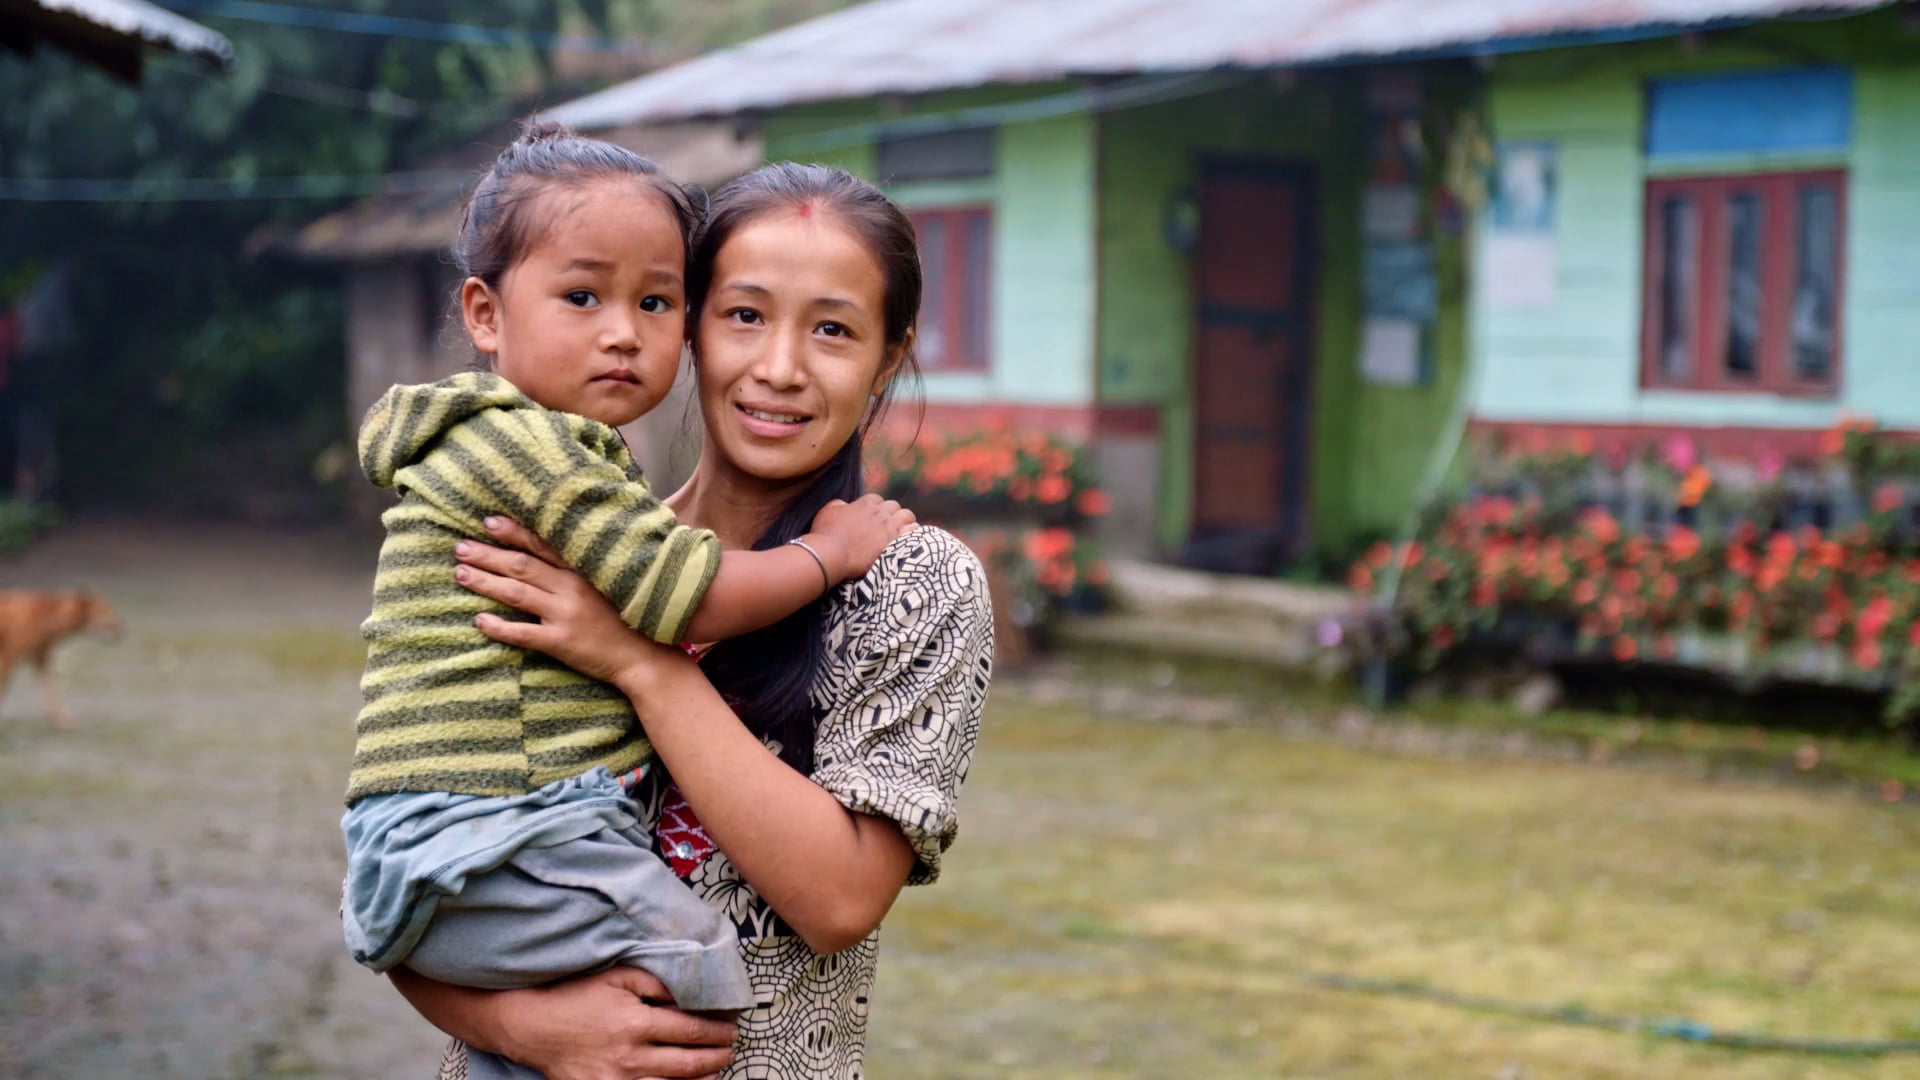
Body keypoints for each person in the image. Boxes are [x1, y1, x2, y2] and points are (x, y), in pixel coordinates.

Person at [392, 162, 994, 1080]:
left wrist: (639, 663)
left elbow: (836, 900)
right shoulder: (566, 546)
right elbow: (416, 866)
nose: (780, 369)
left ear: (887, 358)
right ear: (689, 326)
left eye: (833, 329)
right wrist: (529, 1031)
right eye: (743, 315)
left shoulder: (913, 583)